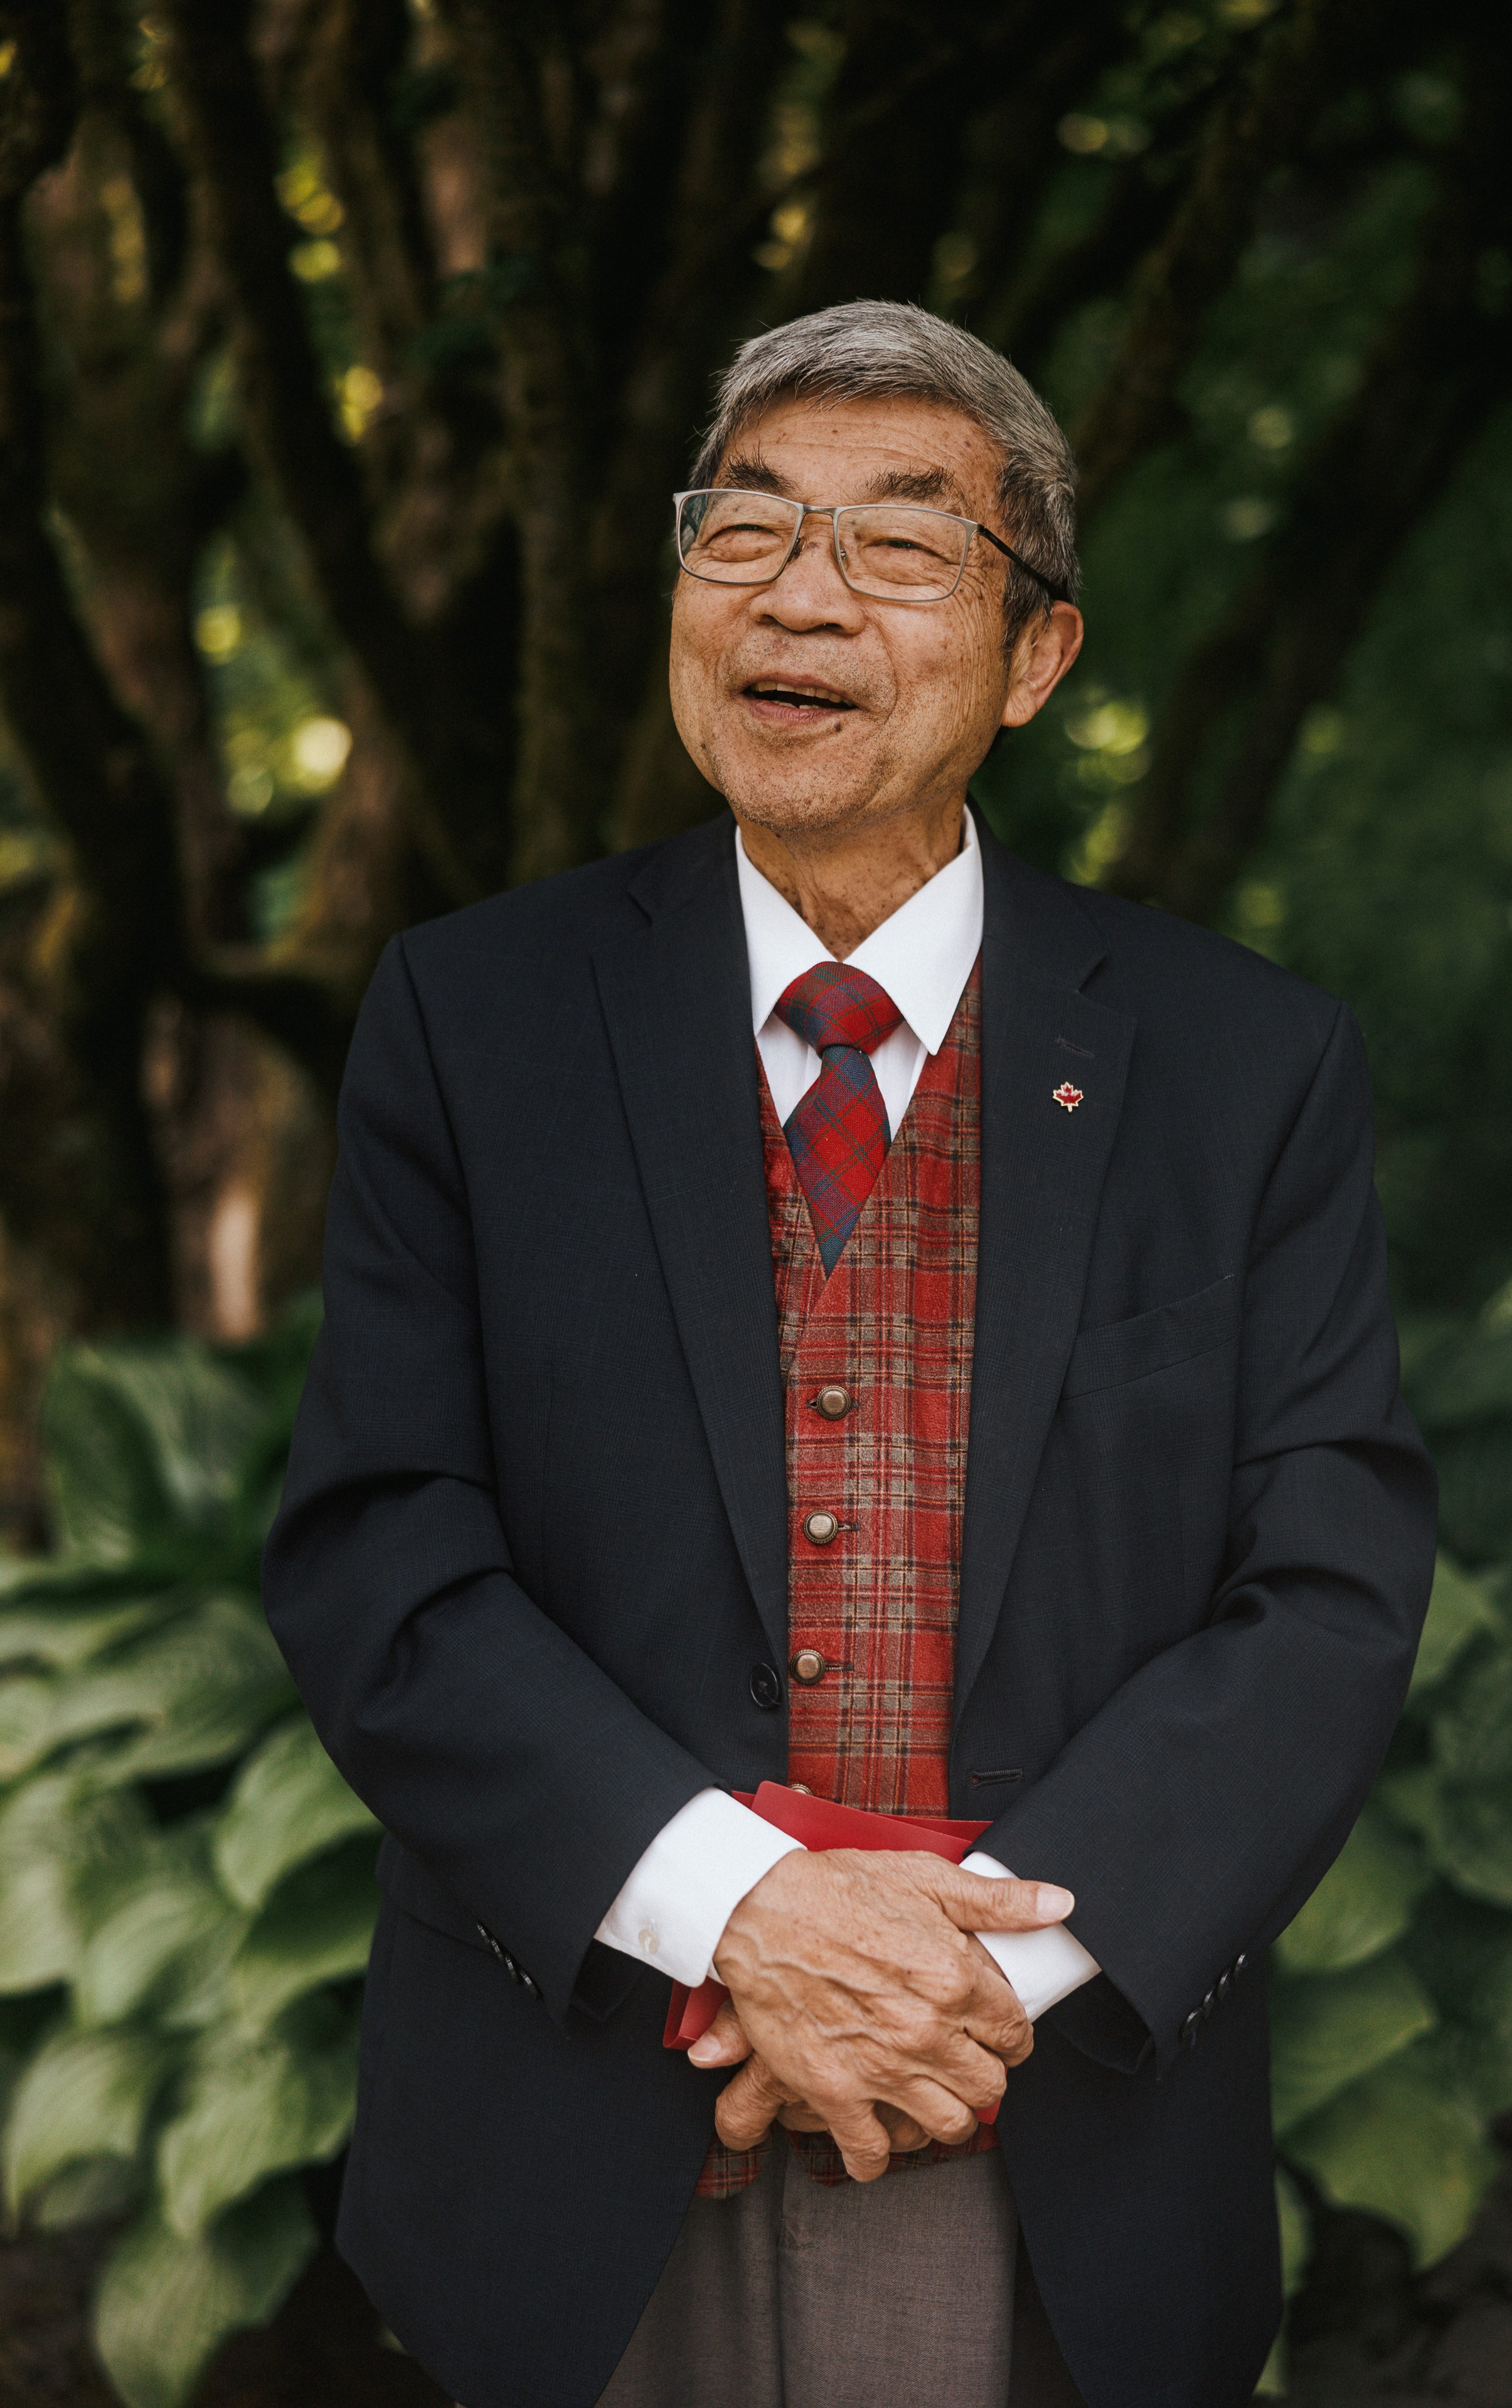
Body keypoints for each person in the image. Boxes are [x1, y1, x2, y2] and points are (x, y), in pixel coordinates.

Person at [262, 299, 1437, 2408]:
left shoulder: (1244, 1064)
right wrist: (745, 1917)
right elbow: (382, 1552)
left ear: (1036, 654)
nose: (803, 596)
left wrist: (966, 1979)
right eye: (749, 531)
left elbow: (1329, 1593)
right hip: (594, 2119)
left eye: (901, 545)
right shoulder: (476, 1021)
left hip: (1052, 2114)